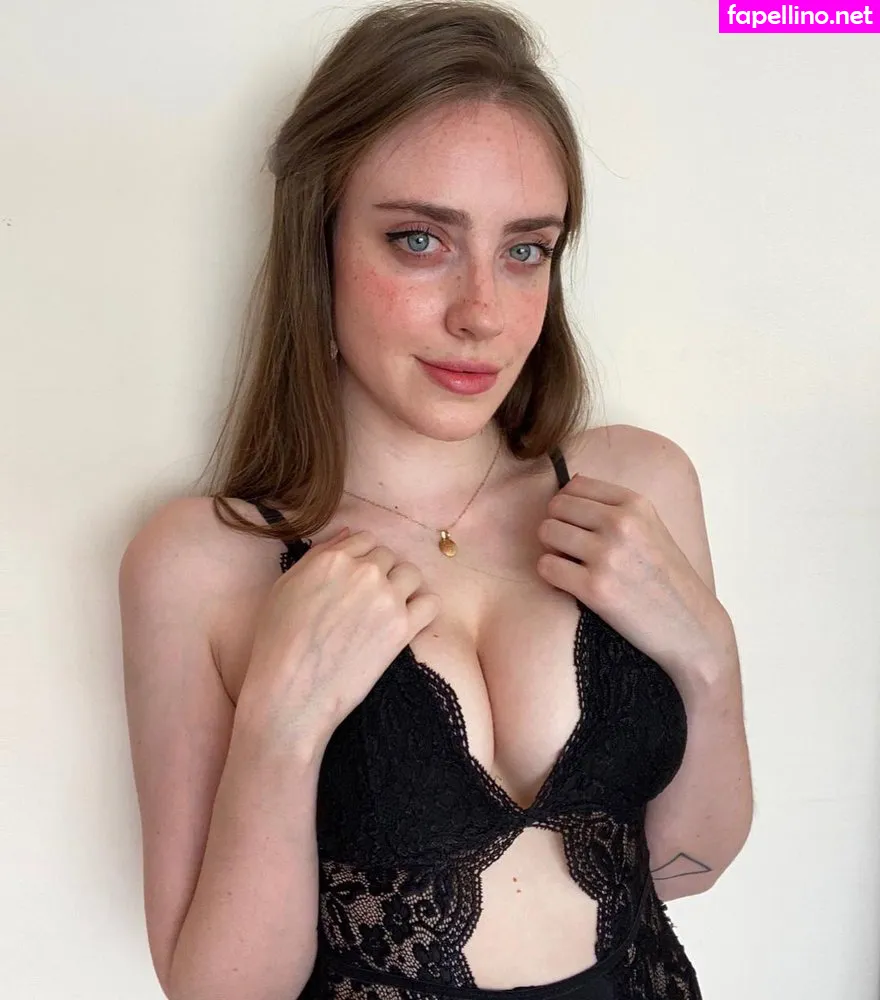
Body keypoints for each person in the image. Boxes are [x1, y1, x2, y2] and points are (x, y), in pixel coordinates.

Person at [118, 2, 753, 999]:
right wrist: (281, 728)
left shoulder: (636, 488)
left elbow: (689, 867)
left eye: (525, 249)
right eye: (420, 239)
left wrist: (709, 660)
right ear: (319, 240)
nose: (482, 313)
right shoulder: (203, 562)